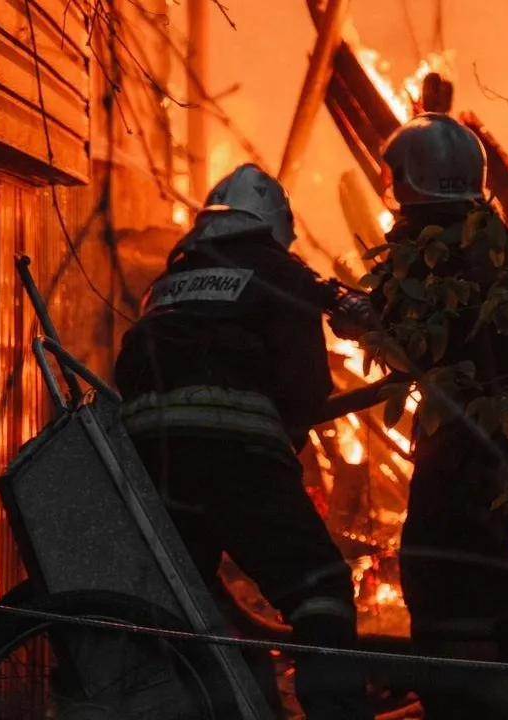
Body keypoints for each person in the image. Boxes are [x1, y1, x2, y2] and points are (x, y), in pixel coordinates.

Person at [113, 163, 374, 720]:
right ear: (274, 227)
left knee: (189, 599)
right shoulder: (281, 272)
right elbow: (306, 386)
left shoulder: (169, 281)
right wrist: (288, 436)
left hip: (152, 466)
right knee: (319, 585)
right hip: (237, 463)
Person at [370, 113, 508, 719]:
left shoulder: (426, 245)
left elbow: (408, 336)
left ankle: (462, 704)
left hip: (464, 448)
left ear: (409, 178)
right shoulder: (499, 243)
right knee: (491, 573)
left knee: (437, 568)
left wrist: (357, 317)